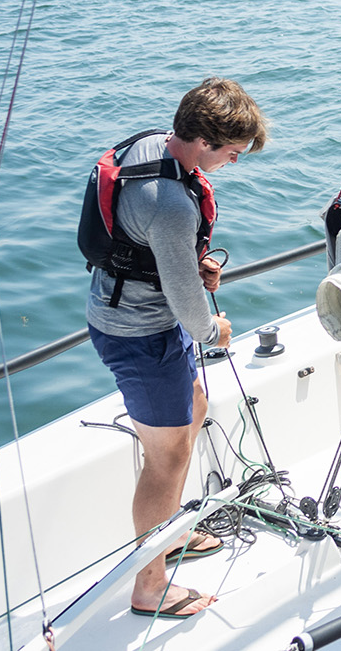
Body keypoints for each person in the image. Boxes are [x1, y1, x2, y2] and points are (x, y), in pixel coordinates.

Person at [83, 78, 268, 620]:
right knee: (168, 459)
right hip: (140, 336)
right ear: (206, 140)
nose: (234, 163)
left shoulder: (149, 145)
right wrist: (215, 332)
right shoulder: (171, 206)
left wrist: (189, 264)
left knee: (196, 411)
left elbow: (150, 249)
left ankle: (170, 534)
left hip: (132, 314)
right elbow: (191, 309)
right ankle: (149, 585)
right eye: (233, 153)